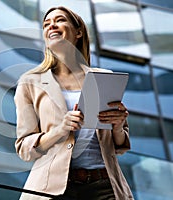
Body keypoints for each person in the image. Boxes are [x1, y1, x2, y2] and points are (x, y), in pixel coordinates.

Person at [14, 6, 134, 200]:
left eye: (60, 20)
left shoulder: (104, 78)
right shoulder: (31, 82)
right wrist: (60, 129)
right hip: (51, 188)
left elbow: (120, 145)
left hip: (104, 187)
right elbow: (24, 149)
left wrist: (118, 125)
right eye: (46, 24)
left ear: (78, 32)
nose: (51, 25)